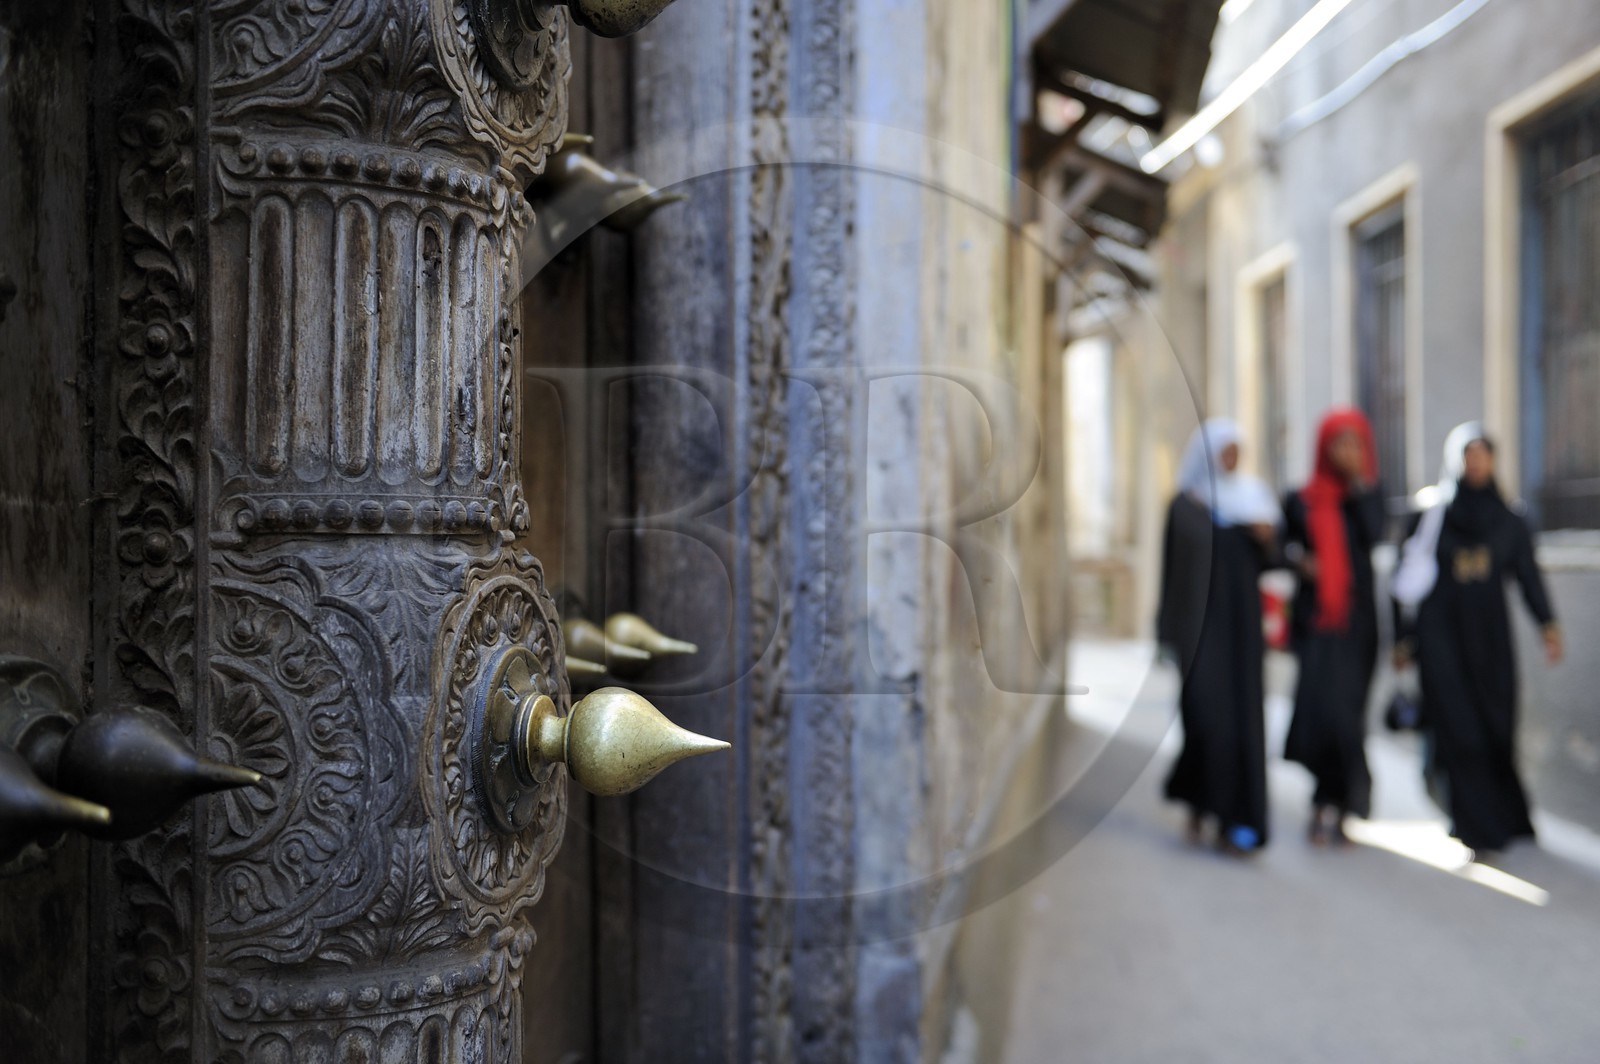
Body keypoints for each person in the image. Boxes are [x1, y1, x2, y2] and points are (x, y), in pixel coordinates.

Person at [1393, 423, 1562, 856]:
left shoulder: (1509, 521)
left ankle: (1502, 817)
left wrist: (1548, 625)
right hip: (1442, 643)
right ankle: (1474, 829)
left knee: (1495, 728)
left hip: (1490, 645)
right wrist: (1403, 641)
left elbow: (1527, 576)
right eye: (1469, 455)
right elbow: (1404, 581)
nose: (1477, 464)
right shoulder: (1431, 515)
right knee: (1459, 732)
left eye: (1484, 455)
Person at [1157, 419, 1280, 854]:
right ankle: (1198, 803)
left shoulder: (1254, 501)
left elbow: (1274, 563)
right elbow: (1171, 574)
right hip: (1198, 631)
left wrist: (1267, 540)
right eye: (1223, 450)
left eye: (1235, 451)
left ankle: (1236, 823)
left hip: (1242, 634)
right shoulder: (1184, 506)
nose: (1230, 459)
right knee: (1205, 720)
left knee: (1242, 724)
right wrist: (1166, 635)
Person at [1282, 409, 1384, 846]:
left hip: (1358, 626)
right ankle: (1325, 801)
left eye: (1355, 444)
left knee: (1350, 718)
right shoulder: (1299, 500)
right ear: (1324, 448)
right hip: (1317, 625)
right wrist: (1299, 562)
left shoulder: (1367, 498)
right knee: (1324, 716)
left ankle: (1341, 808)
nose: (1348, 453)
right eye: (1339, 444)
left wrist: (1359, 486)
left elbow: (1376, 536)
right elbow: (1278, 550)